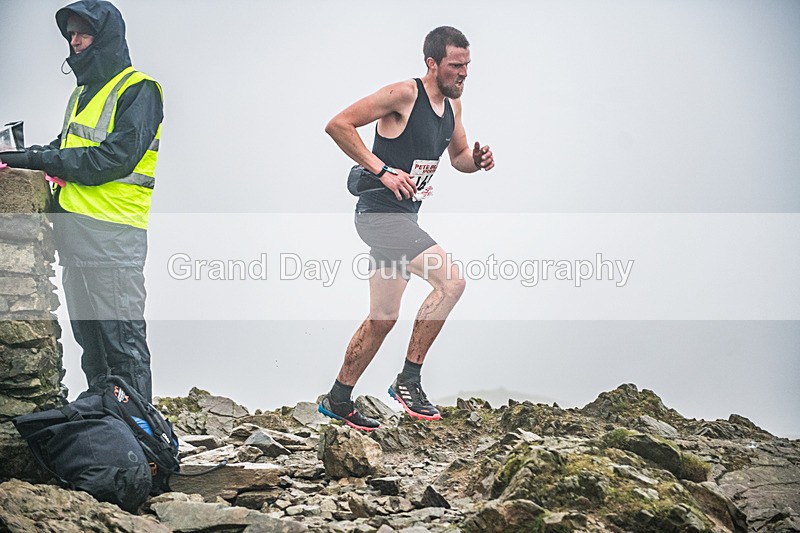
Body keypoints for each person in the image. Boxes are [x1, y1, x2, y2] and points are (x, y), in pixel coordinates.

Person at [318, 26, 494, 431]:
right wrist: (381, 170)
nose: (464, 73)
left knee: (382, 317)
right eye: (455, 66)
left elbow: (459, 157)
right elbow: (339, 125)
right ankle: (408, 381)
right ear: (432, 63)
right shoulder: (403, 94)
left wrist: (478, 159)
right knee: (451, 283)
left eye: (468, 65)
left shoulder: (453, 108)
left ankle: (338, 399)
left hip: (404, 219)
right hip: (379, 217)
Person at [0, 0, 163, 402]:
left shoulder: (139, 88)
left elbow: (112, 159)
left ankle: (143, 446)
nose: (75, 42)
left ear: (105, 37)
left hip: (113, 236)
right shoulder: (83, 94)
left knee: (121, 345)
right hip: (76, 233)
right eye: (71, 34)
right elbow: (65, 148)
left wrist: (36, 158)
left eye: (83, 33)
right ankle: (108, 435)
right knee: (93, 347)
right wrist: (20, 156)